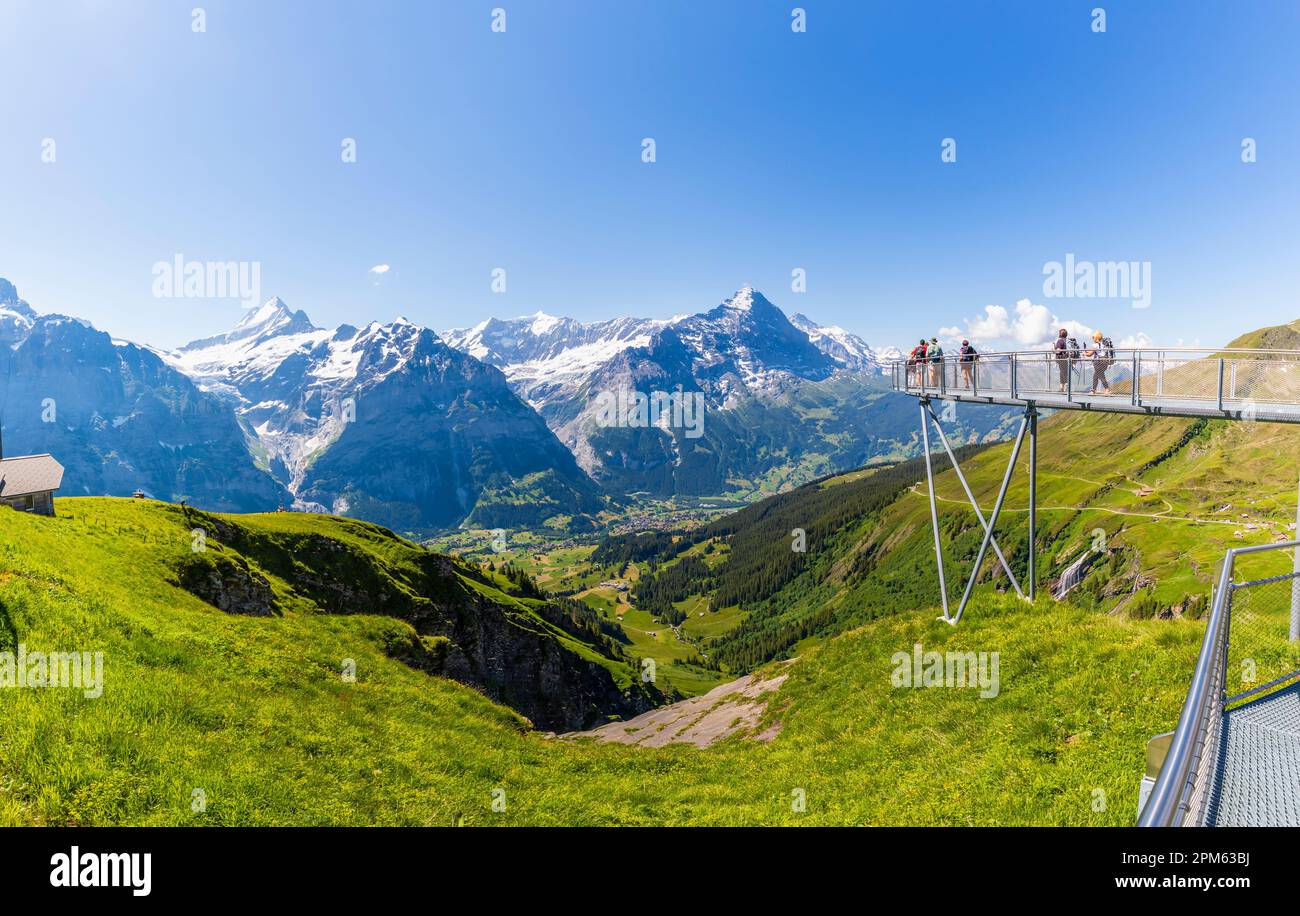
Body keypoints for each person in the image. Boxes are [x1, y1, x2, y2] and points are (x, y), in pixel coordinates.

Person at [1085, 330, 1115, 395]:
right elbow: (1098, 352)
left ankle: (1107, 389)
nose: (1093, 339)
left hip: (1098, 362)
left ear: (1096, 338)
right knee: (1095, 376)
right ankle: (1093, 390)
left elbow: (1089, 354)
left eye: (1093, 337)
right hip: (1105, 362)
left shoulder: (1095, 345)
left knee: (1101, 376)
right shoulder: (1103, 345)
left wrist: (1084, 353)